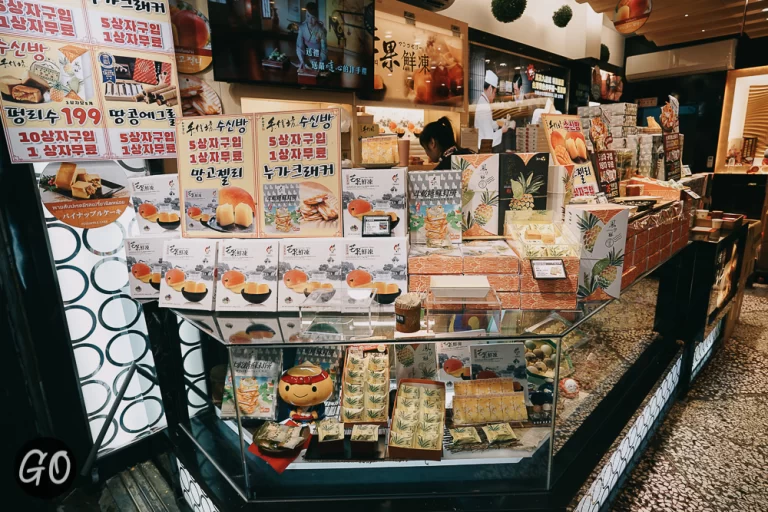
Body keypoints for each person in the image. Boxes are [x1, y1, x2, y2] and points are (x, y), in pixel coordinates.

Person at [473, 70, 508, 151]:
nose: (494, 96)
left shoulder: (483, 101)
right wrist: (502, 131)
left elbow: (488, 124)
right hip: (482, 148)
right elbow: (489, 138)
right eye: (495, 92)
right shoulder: (485, 106)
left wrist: (498, 122)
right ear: (490, 89)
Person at [296, 2, 327, 70]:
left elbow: (324, 49)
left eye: (313, 17)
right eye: (307, 16)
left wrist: (320, 62)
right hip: (306, 57)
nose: (309, 20)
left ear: (317, 17)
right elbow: (299, 46)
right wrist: (302, 60)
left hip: (318, 58)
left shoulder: (321, 30)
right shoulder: (302, 28)